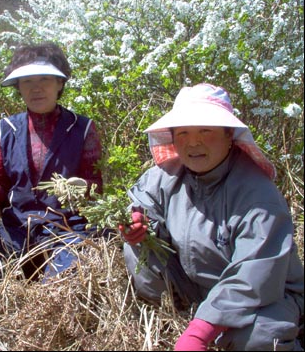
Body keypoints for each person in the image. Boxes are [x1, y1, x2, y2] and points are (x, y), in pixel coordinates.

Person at [118, 83, 304, 351]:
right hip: (195, 285)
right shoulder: (168, 175)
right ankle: (178, 313)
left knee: (260, 339)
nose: (194, 142)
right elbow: (143, 200)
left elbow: (254, 274)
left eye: (206, 130)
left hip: (265, 294)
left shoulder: (257, 194)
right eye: (183, 132)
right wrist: (138, 220)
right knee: (139, 246)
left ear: (229, 135)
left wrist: (201, 329)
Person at [0, 42, 104, 281]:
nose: (36, 88)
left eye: (45, 79)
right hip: (17, 228)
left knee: (64, 283)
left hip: (67, 228)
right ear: (18, 86)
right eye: (27, 81)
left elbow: (97, 186)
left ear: (60, 83)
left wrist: (81, 187)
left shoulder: (82, 128)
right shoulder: (5, 130)